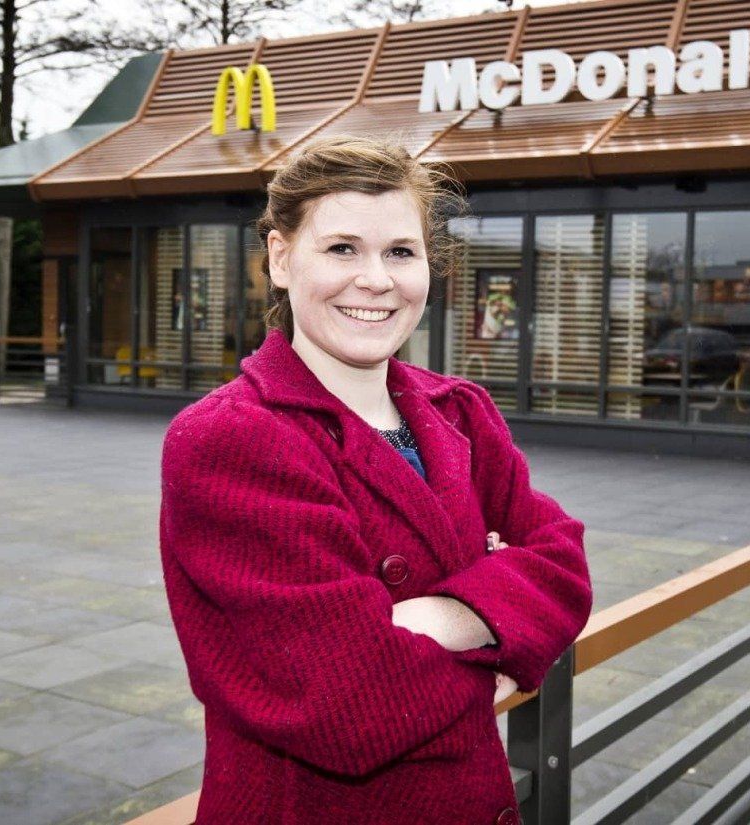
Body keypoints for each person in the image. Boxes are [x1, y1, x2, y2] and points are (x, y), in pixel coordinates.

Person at [158, 136, 594, 824]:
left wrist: (433, 618)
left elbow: (565, 563)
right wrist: (502, 623)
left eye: (399, 251)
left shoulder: (462, 412)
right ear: (280, 257)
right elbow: (349, 709)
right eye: (341, 249)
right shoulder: (231, 437)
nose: (376, 279)